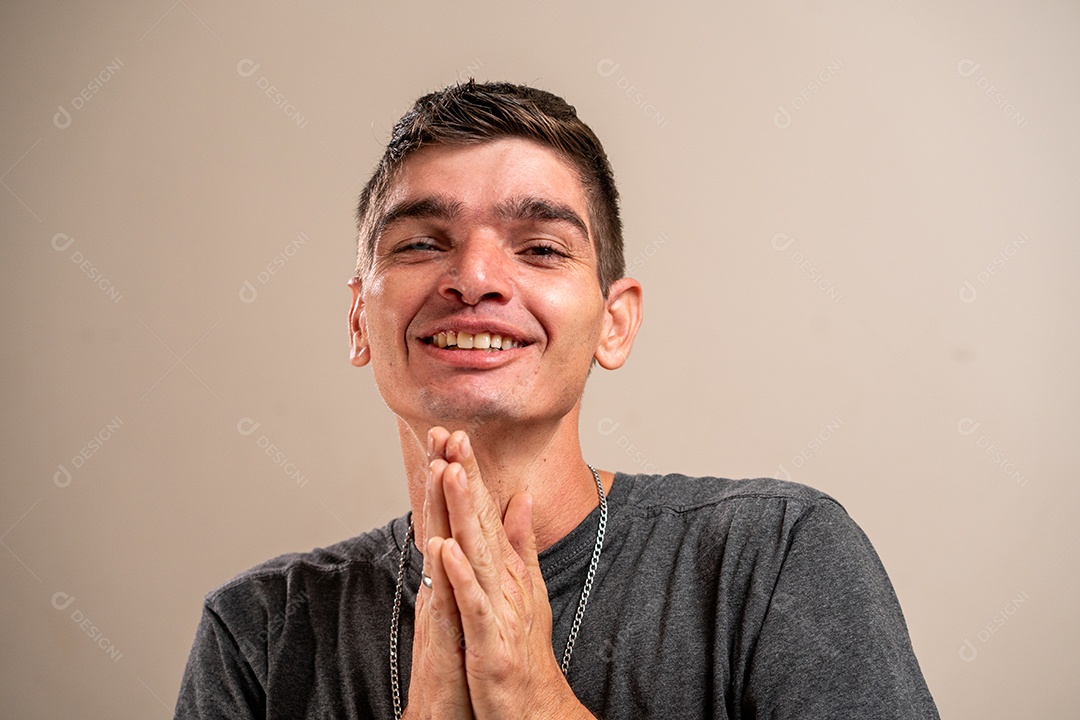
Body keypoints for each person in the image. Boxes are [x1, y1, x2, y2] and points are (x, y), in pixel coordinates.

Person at [174, 80, 939, 719]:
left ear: (615, 321)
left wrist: (536, 700)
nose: (473, 279)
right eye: (420, 244)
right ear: (357, 320)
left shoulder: (775, 559)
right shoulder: (259, 635)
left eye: (540, 248)